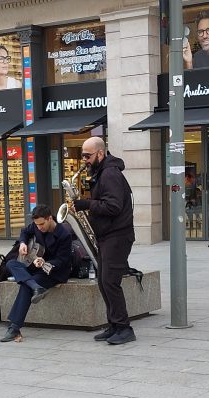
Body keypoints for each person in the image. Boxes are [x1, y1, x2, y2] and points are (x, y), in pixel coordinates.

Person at [73, 136, 136, 345]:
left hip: (117, 236)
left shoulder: (109, 173)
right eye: (83, 156)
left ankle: (124, 328)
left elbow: (113, 206)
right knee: (103, 281)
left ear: (100, 153)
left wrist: (86, 204)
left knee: (110, 281)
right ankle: (114, 325)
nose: (85, 161)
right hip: (108, 235)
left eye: (87, 156)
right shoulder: (102, 172)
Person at [0, 205, 72, 342]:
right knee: (10, 264)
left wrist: (45, 262)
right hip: (35, 266)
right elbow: (24, 232)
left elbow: (63, 260)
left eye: (42, 224)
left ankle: (14, 327)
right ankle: (35, 287)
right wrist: (22, 243)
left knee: (25, 286)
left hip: (53, 271)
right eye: (37, 225)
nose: (39, 228)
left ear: (50, 218)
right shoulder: (35, 225)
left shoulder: (64, 235)